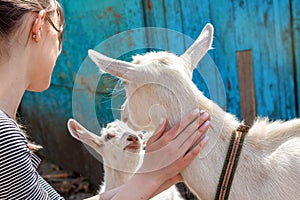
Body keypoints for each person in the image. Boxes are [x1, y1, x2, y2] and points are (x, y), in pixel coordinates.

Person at [0, 0, 210, 200]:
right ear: (38, 26)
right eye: (59, 35)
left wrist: (150, 176)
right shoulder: (5, 137)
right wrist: (149, 177)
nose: (59, 50)